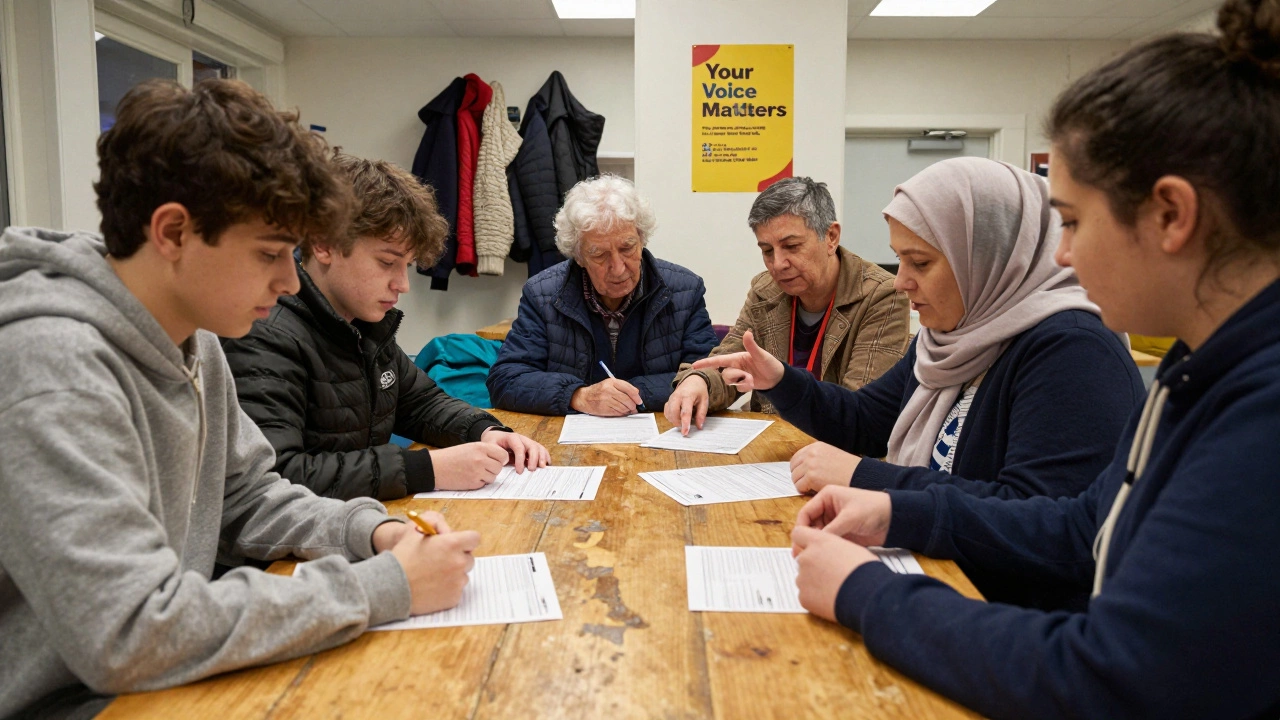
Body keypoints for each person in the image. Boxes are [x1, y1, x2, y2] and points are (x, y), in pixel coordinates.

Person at [790, 2, 1280, 716]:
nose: (1061, 255)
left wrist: (869, 592)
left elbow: (1113, 679)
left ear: (1171, 215)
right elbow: (1083, 524)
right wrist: (898, 514)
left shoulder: (1256, 408)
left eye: (1074, 222)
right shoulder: (1200, 364)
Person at [0, 79, 478, 720]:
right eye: (269, 254)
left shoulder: (193, 336)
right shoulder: (52, 365)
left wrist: (372, 530)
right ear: (173, 233)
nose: (287, 282)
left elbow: (249, 493)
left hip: (151, 674)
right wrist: (384, 586)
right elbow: (129, 630)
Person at [693, 157, 1144, 609]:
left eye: (920, 262)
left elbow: (1047, 529)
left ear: (986, 256)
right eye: (900, 259)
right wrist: (782, 381)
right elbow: (866, 419)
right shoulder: (949, 335)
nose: (900, 283)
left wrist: (867, 478)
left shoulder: (1073, 352)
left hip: (1003, 613)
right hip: (942, 575)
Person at [222, 152, 548, 501]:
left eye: (406, 265)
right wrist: (427, 469)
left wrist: (484, 430)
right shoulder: (264, 335)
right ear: (324, 244)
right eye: (387, 262)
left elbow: (420, 403)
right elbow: (279, 476)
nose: (402, 284)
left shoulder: (362, 321)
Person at [665, 177, 909, 434]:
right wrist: (698, 380)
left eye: (791, 246)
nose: (778, 264)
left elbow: (861, 412)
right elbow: (730, 363)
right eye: (767, 250)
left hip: (833, 454)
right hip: (770, 450)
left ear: (831, 237)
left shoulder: (882, 296)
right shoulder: (765, 289)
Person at [487, 175, 718, 416]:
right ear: (578, 256)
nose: (618, 268)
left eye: (627, 248)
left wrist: (631, 394)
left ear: (642, 239)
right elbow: (505, 381)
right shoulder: (542, 294)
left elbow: (714, 375)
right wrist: (579, 395)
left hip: (667, 436)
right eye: (599, 255)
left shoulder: (685, 290)